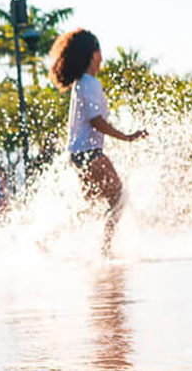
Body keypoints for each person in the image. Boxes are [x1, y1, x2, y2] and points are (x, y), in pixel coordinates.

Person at [49, 29, 148, 255]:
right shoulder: (90, 83)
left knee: (91, 203)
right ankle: (104, 249)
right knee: (119, 197)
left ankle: (51, 237)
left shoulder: (80, 83)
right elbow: (96, 121)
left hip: (77, 154)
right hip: (89, 152)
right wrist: (127, 137)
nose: (102, 58)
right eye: (100, 52)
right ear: (94, 55)